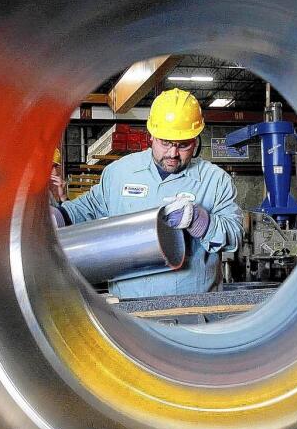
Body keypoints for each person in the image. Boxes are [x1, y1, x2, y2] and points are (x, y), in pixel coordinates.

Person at [56, 88, 243, 298]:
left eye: (184, 145)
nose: (173, 153)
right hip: (130, 307)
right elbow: (87, 208)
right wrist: (57, 217)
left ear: (196, 139)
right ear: (151, 136)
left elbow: (235, 237)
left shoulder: (215, 181)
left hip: (194, 306)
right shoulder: (120, 172)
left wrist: (201, 221)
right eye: (165, 143)